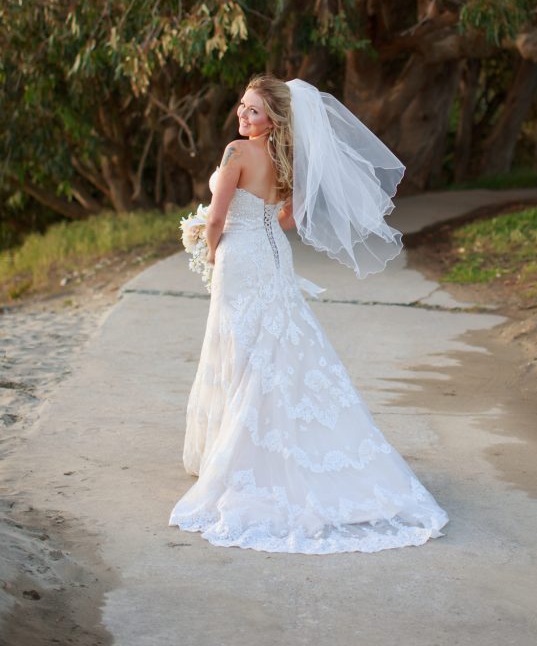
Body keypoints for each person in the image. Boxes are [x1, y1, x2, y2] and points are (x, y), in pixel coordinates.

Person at [168, 73, 449, 553]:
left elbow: (216, 217)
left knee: (242, 344)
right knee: (278, 341)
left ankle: (235, 455)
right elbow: (289, 218)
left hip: (241, 258)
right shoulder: (285, 159)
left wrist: (211, 245)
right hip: (273, 252)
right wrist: (253, 227)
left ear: (272, 117)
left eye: (253, 110)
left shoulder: (237, 152)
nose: (243, 115)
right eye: (242, 107)